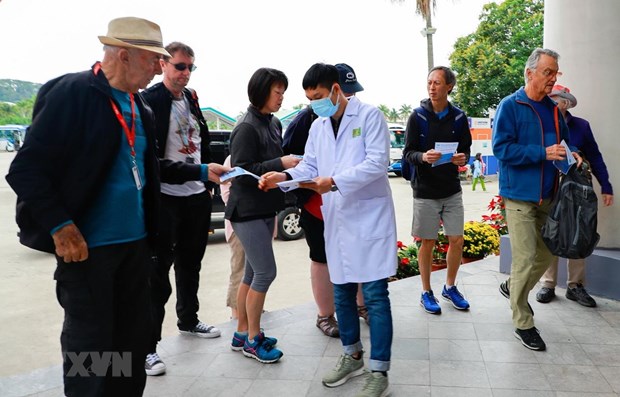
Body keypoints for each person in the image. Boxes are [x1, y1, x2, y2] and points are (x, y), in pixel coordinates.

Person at [5, 17, 178, 397]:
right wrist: (60, 226)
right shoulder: (73, 93)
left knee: (130, 346)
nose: (158, 69)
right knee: (93, 352)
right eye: (153, 60)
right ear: (123, 55)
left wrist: (200, 169)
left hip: (134, 250)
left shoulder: (141, 107)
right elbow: (27, 169)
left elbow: (144, 169)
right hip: (89, 254)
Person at [260, 63, 396, 397]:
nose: (315, 104)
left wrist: (333, 182)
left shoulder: (370, 117)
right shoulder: (319, 127)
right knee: (342, 294)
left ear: (336, 89)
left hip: (370, 219)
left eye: (319, 96)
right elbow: (309, 166)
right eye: (310, 100)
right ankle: (351, 355)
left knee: (376, 297)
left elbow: (378, 163)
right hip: (337, 221)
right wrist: (283, 177)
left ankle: (379, 371)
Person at [142, 41, 225, 376]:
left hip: (195, 195)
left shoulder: (191, 98)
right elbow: (153, 161)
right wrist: (202, 172)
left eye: (190, 67)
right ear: (163, 64)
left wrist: (204, 180)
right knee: (158, 274)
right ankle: (147, 348)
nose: (185, 73)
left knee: (191, 264)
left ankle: (188, 320)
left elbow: (201, 141)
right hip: (165, 197)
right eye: (180, 66)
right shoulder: (149, 100)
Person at [494, 48, 582, 351]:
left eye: (556, 72)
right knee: (525, 258)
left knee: (546, 254)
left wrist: (574, 154)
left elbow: (565, 143)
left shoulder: (553, 110)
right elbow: (502, 149)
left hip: (548, 194)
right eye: (548, 72)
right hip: (518, 196)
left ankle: (512, 288)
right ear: (530, 73)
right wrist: (541, 153)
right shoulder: (510, 106)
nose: (553, 78)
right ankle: (523, 321)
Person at [281, 62, 366, 337]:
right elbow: (299, 160)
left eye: (353, 94)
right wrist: (285, 178)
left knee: (357, 255)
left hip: (349, 202)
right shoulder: (310, 121)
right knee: (321, 259)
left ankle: (361, 305)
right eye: (312, 99)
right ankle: (325, 315)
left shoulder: (364, 117)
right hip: (316, 204)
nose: (350, 98)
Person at [225, 67, 301, 364]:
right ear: (260, 91)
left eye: (283, 92)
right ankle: (254, 339)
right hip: (247, 210)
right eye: (276, 92)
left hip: (265, 206)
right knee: (266, 272)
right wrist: (279, 162)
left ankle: (242, 333)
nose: (281, 97)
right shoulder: (245, 127)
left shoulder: (273, 123)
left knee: (252, 273)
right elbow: (240, 172)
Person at [402, 66, 473, 315]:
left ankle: (450, 287)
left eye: (437, 83)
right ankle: (425, 292)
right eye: (429, 82)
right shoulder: (417, 117)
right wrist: (424, 156)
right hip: (425, 190)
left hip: (451, 189)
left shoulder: (459, 118)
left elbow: (466, 152)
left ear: (449, 87)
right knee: (428, 242)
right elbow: (408, 154)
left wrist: (461, 159)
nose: (432, 87)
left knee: (457, 239)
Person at [535, 84, 614, 307]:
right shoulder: (542, 124)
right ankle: (548, 284)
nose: (551, 102)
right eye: (549, 98)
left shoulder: (581, 126)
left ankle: (575, 286)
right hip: (552, 186)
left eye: (555, 98)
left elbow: (595, 157)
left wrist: (606, 186)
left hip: (578, 187)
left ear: (566, 103)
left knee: (580, 230)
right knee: (553, 230)